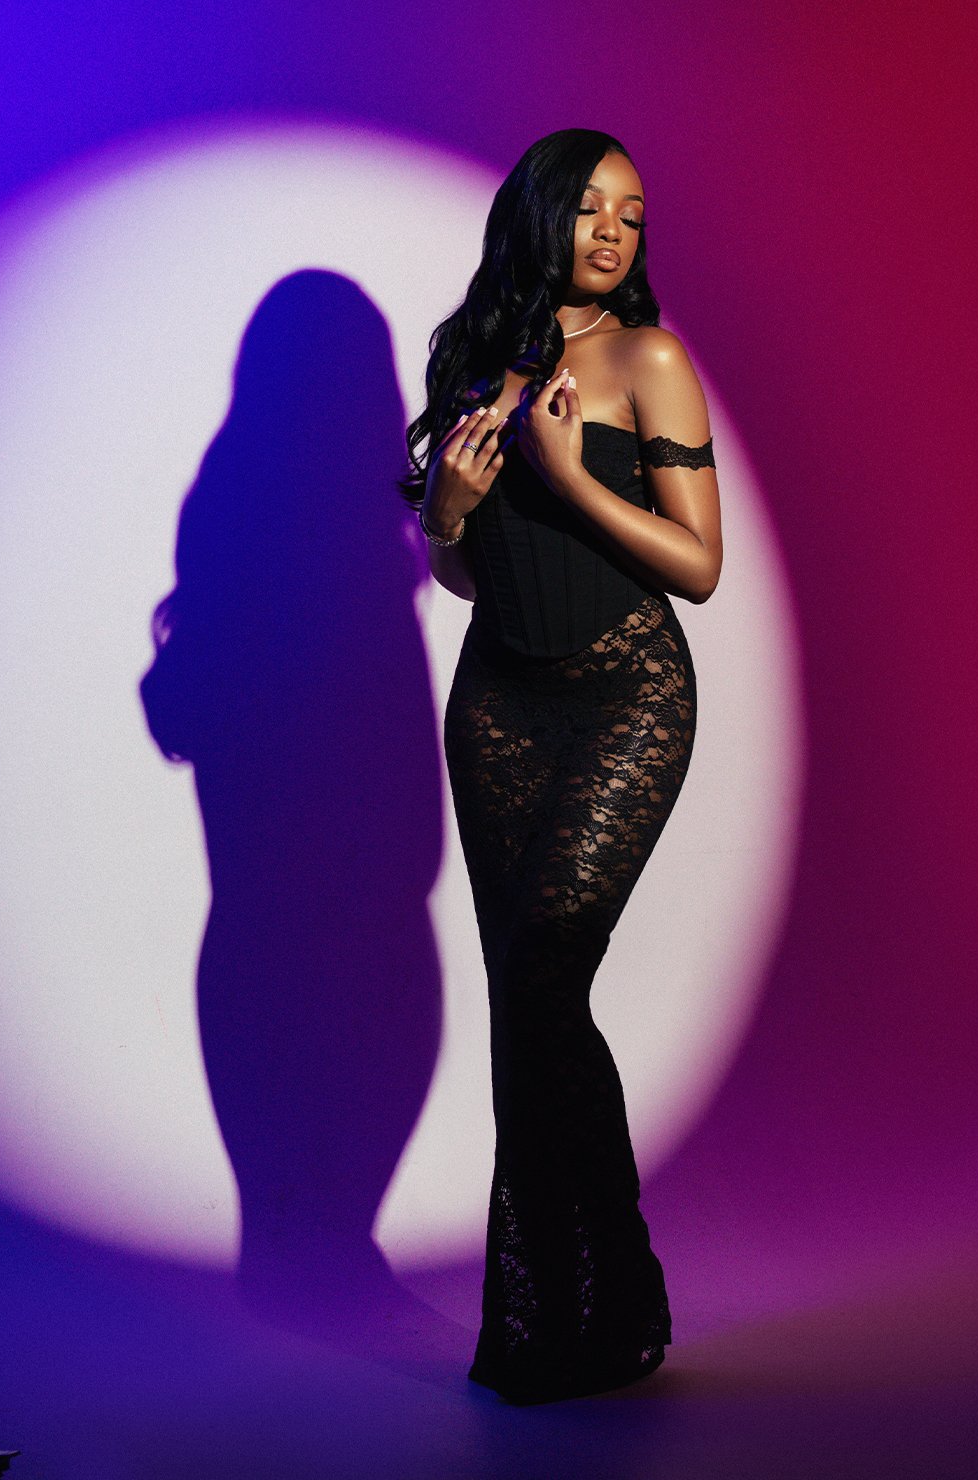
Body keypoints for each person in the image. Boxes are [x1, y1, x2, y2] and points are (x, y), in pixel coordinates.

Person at [398, 128, 723, 1404]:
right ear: (538, 213)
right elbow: (464, 573)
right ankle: (558, 1321)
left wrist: (568, 479)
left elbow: (699, 567)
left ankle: (613, 1297)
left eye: (632, 215)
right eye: (591, 207)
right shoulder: (472, 362)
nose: (612, 232)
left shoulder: (650, 360)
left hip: (626, 695)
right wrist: (448, 517)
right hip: (498, 705)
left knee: (542, 979)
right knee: (524, 1005)